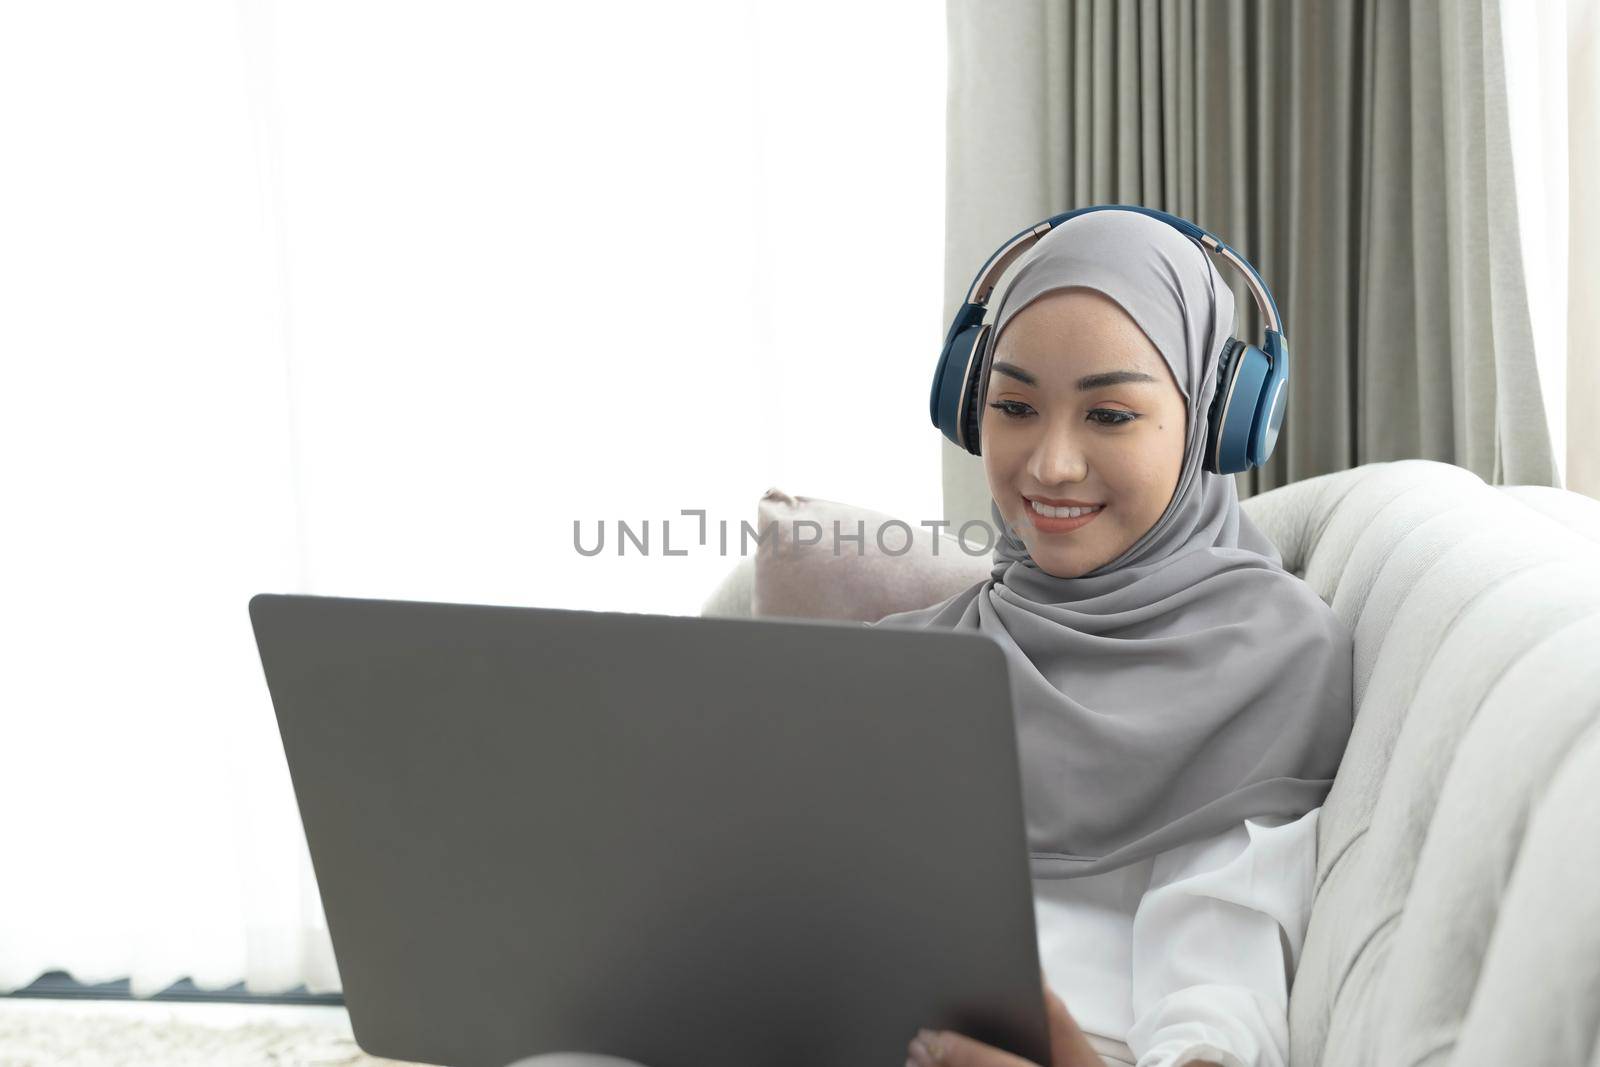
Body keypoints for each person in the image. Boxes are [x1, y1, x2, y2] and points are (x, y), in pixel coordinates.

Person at [875, 208, 1356, 1067]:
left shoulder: (1271, 660)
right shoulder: (904, 663)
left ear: (1213, 422)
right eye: (1014, 405)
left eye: (1109, 415)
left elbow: (1218, 1004)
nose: (1051, 464)